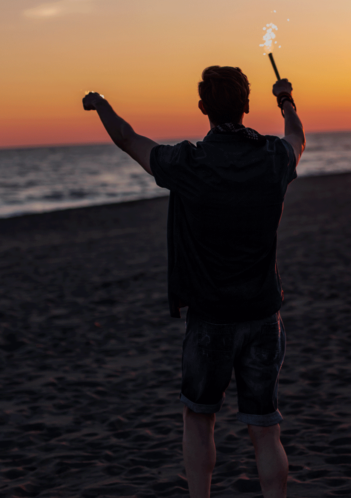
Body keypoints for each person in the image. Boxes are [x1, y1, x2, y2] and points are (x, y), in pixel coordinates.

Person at [82, 65, 304, 498]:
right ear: (246, 105)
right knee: (265, 427)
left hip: (210, 318)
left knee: (199, 419)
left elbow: (129, 139)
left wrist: (101, 104)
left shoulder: (189, 163)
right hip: (262, 314)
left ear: (202, 107)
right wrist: (287, 99)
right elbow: (298, 138)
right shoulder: (275, 157)